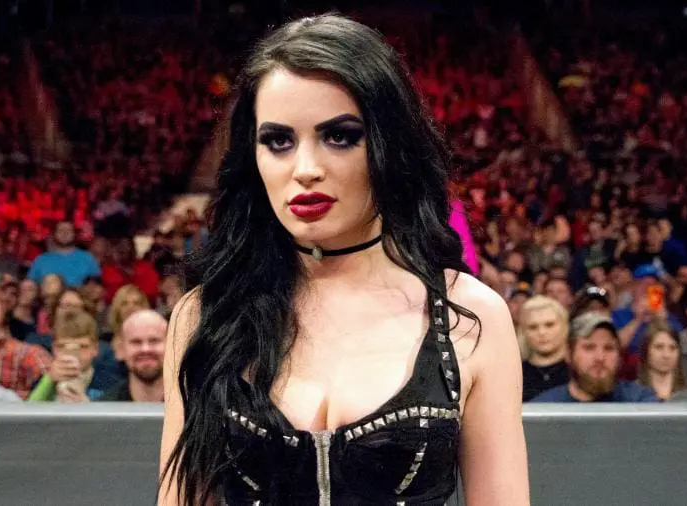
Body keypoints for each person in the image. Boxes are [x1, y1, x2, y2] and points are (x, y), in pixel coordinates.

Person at [158, 15, 529, 506]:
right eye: (278, 141)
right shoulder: (205, 315)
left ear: (389, 145)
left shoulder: (472, 316)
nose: (305, 169)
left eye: (340, 136)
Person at [531, 312, 658, 403]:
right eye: (589, 347)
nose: (600, 358)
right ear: (568, 354)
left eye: (609, 348)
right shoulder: (544, 410)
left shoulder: (641, 403)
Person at [99, 310, 166, 402]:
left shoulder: (187, 406)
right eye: (136, 342)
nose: (145, 349)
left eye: (154, 341)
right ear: (120, 350)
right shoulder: (104, 408)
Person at [518, 296, 569, 401]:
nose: (542, 332)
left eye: (549, 325)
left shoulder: (579, 372)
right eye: (533, 327)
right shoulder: (515, 374)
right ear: (523, 332)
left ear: (565, 327)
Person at [26, 221, 101, 287]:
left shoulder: (87, 258)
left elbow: (96, 286)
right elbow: (31, 286)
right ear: (54, 234)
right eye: (61, 230)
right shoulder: (41, 260)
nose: (65, 234)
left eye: (68, 230)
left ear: (74, 234)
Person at [636, 321, 686, 400]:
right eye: (659, 347)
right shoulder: (632, 394)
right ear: (646, 351)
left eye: (673, 348)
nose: (666, 355)